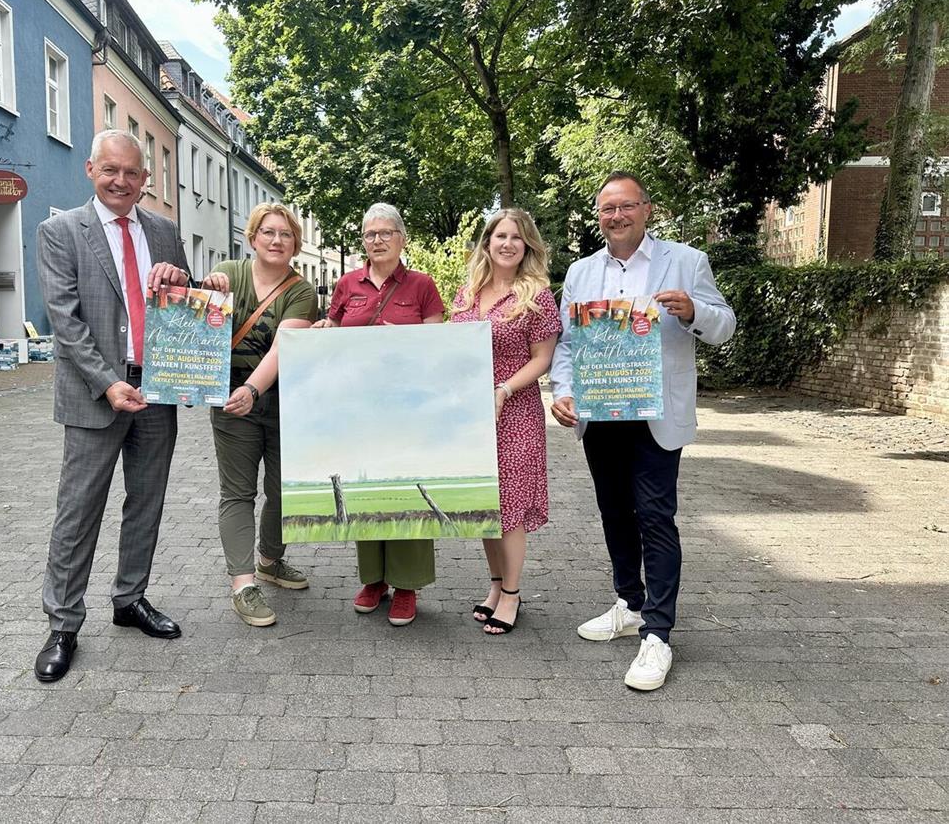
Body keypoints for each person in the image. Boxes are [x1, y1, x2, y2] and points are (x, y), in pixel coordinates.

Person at [550, 171, 736, 690]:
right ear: (599, 214)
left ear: (646, 209)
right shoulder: (582, 272)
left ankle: (658, 633)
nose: (616, 216)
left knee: (655, 515)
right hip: (603, 411)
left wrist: (695, 310)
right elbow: (566, 344)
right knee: (614, 512)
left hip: (656, 414)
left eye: (626, 206)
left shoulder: (686, 261)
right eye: (607, 208)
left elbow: (725, 325)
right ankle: (629, 603)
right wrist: (562, 391)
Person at [34, 129, 191, 683]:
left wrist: (185, 279)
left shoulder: (165, 231)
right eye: (111, 171)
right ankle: (63, 624)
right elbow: (65, 321)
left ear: (146, 179)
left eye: (133, 173)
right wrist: (106, 382)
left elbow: (186, 305)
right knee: (78, 512)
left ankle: (130, 599)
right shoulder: (60, 232)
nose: (122, 182)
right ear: (90, 170)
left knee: (145, 502)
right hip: (94, 394)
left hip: (156, 390)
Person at [313, 203, 445, 626]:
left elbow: (440, 342)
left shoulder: (422, 285)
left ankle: (406, 585)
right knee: (365, 488)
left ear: (402, 239)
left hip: (408, 407)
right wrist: (320, 334)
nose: (378, 240)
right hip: (357, 408)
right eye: (370, 234)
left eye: (386, 233)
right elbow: (332, 332)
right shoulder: (347, 283)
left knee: (407, 489)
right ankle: (374, 579)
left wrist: (409, 339)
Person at [201, 203, 317, 627]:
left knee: (284, 490)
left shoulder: (301, 291)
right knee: (238, 492)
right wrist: (206, 290)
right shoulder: (228, 274)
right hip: (233, 406)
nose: (276, 240)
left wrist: (254, 388)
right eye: (268, 232)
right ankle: (243, 583)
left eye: (285, 235)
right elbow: (196, 324)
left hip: (286, 404)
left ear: (295, 245)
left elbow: (283, 348)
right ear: (252, 237)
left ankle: (270, 560)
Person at [450, 209, 561, 634]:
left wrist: (503, 389)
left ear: (527, 245)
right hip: (472, 415)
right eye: (500, 235)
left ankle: (512, 594)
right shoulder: (468, 292)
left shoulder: (536, 295)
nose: (507, 243)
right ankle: (496, 586)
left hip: (515, 410)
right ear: (487, 242)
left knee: (510, 507)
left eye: (517, 237)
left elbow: (543, 359)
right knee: (485, 503)